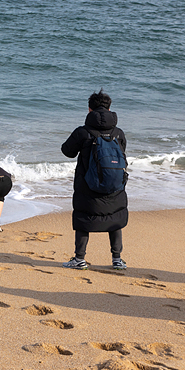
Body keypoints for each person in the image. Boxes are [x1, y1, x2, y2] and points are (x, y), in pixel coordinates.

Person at [60, 89, 128, 270]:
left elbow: (67, 151)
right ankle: (117, 259)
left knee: (84, 218)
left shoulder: (83, 132)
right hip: (115, 185)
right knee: (114, 218)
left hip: (87, 184)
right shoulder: (118, 133)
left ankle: (79, 259)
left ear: (89, 109)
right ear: (109, 108)